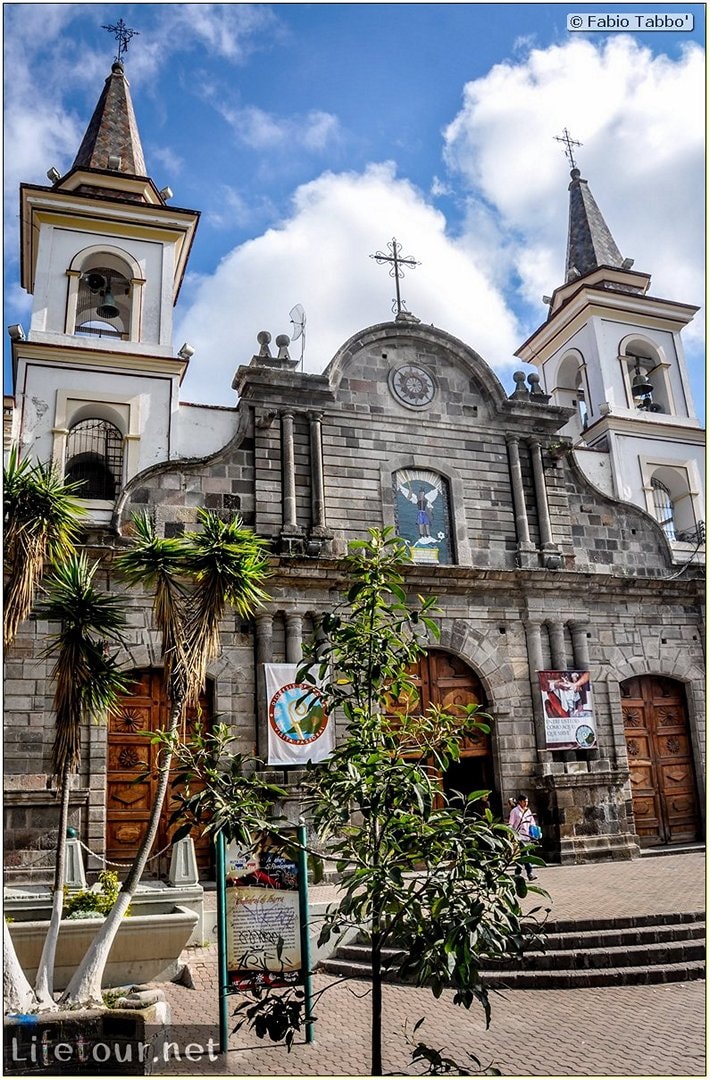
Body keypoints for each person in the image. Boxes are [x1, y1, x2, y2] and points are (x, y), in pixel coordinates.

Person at [508, 793, 538, 881]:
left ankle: (517, 873)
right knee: (525, 854)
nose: (526, 803)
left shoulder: (528, 811)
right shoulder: (515, 811)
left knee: (522, 856)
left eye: (527, 801)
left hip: (527, 836)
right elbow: (511, 824)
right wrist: (511, 835)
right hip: (519, 836)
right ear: (520, 802)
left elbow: (532, 822)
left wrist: (534, 831)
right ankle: (530, 873)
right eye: (524, 801)